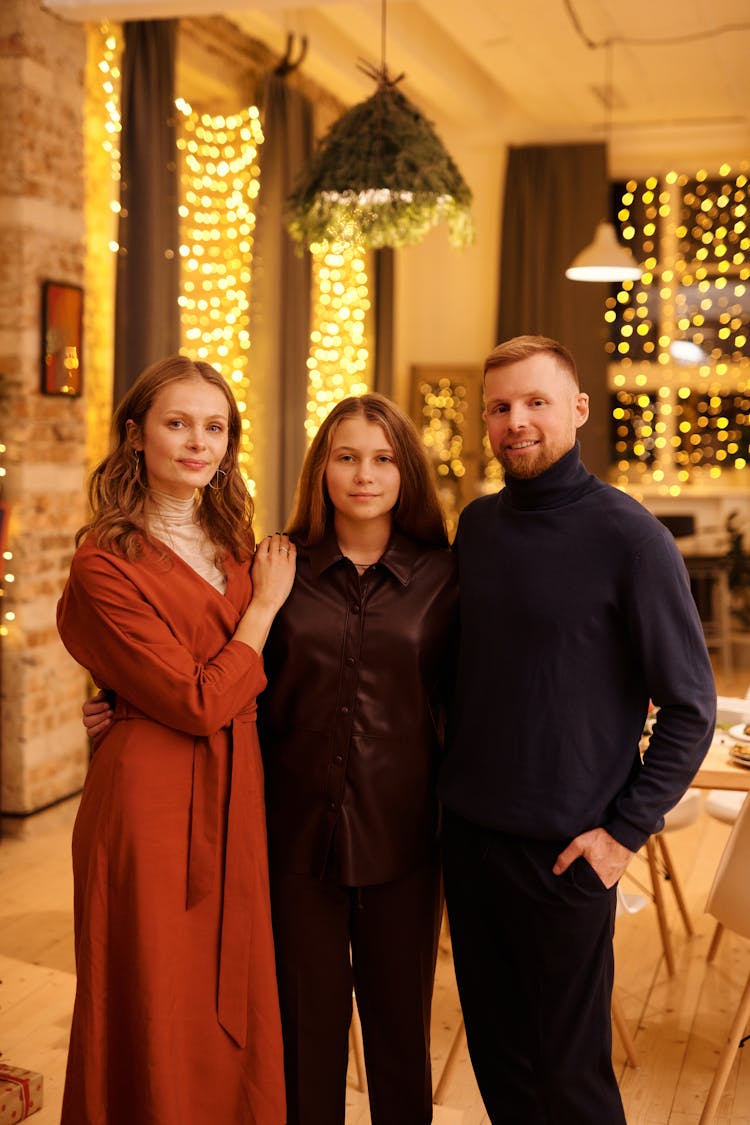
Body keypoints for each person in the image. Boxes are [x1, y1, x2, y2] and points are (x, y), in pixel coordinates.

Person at [83, 391, 458, 1125]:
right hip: (289, 839)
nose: (363, 475)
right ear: (321, 468)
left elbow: (474, 700)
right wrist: (117, 707)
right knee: (300, 1042)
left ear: (407, 471)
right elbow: (209, 658)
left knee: (399, 1041)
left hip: (404, 840)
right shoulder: (269, 566)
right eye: (346, 457)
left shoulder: (449, 578)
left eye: (382, 459)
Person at [438, 335, 717, 1124]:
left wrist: (621, 835)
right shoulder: (480, 528)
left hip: (566, 853)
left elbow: (691, 706)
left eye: (536, 403)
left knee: (570, 1080)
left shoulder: (631, 539)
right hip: (468, 837)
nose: (516, 421)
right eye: (499, 407)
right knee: (499, 1065)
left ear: (578, 410)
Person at [57, 355, 295, 1125]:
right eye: (177, 422)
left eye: (215, 426)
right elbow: (196, 700)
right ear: (136, 435)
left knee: (234, 989)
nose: (199, 441)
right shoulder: (103, 557)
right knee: (153, 994)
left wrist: (124, 695)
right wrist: (263, 612)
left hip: (237, 790)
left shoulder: (233, 541)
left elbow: (213, 677)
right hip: (150, 804)